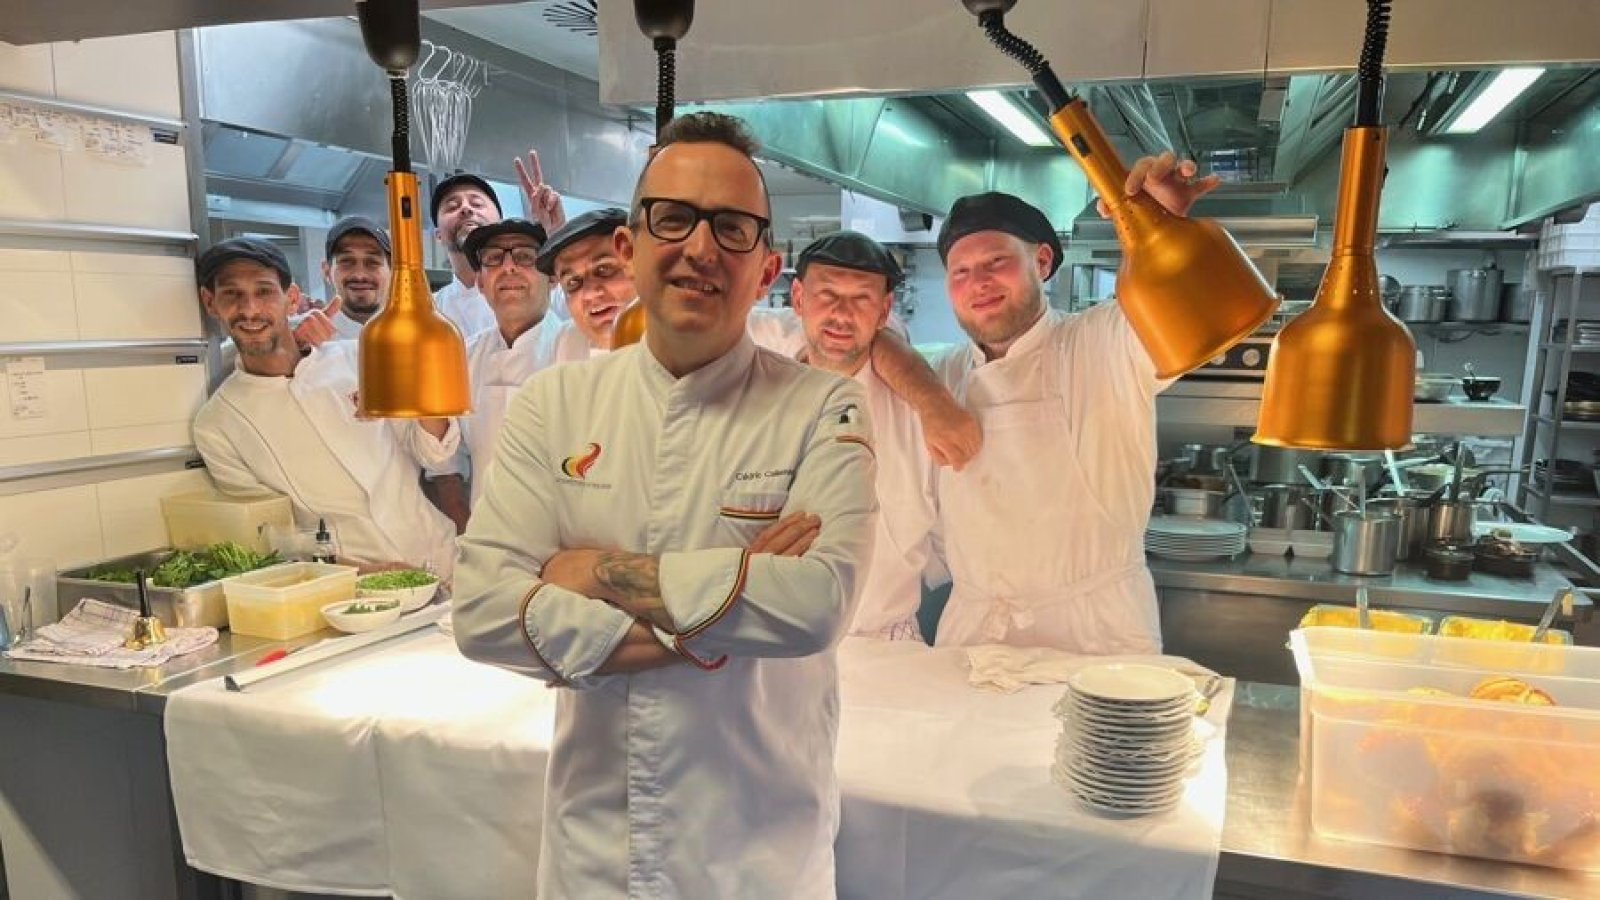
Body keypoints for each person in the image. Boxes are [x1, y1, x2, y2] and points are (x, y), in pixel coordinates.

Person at [452, 112, 877, 898]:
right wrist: (730, 607)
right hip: (597, 849)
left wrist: (588, 573)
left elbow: (815, 604)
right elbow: (480, 611)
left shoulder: (824, 406)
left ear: (767, 267)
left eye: (732, 228)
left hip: (760, 850)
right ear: (631, 246)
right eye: (674, 218)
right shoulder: (553, 403)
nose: (701, 247)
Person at [927, 152, 1219, 653]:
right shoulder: (943, 373)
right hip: (976, 631)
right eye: (961, 271)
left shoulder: (1104, 339)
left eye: (997, 262)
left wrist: (1163, 228)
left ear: (1042, 262)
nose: (978, 282)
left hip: (1096, 632)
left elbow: (1182, 305)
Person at [532, 186, 984, 470]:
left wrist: (934, 403)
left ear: (638, 259)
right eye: (573, 284)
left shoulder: (729, 334)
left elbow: (855, 336)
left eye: (606, 270)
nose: (592, 294)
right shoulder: (565, 356)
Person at [190, 237, 458, 580]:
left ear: (291, 298)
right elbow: (271, 538)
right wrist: (373, 574)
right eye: (232, 294)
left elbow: (435, 453)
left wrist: (416, 394)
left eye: (264, 291)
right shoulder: (217, 424)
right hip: (352, 587)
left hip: (441, 556)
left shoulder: (361, 357)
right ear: (210, 302)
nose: (250, 309)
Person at [789, 230, 938, 640]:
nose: (842, 313)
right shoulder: (756, 393)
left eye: (862, 299)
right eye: (827, 294)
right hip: (773, 645)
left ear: (885, 310)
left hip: (885, 641)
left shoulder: (919, 413)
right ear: (798, 298)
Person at [414, 218, 564, 506]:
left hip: (569, 531)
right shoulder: (461, 358)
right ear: (481, 283)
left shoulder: (580, 350)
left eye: (525, 256)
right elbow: (440, 458)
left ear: (553, 277)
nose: (508, 267)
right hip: (486, 527)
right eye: (494, 258)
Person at [429, 173, 507, 339]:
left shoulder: (541, 292)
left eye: (477, 204)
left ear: (500, 223)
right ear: (438, 235)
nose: (466, 208)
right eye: (452, 207)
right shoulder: (425, 311)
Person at [318, 215, 392, 339]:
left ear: (393, 271)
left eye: (372, 262)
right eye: (346, 261)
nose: (359, 275)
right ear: (327, 271)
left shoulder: (417, 333)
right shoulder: (310, 340)